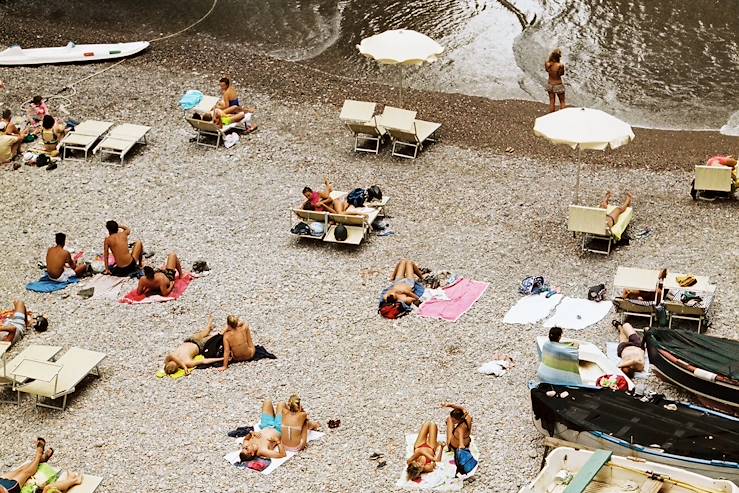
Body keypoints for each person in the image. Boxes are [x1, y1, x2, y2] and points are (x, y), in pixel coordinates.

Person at [442, 403, 478, 475]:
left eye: (454, 420)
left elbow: (461, 445)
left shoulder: (460, 429)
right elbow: (462, 409)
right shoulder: (468, 418)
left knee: (448, 420)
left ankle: (448, 445)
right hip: (467, 441)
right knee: (449, 419)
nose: (453, 421)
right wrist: (450, 405)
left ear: (458, 420)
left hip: (453, 446)